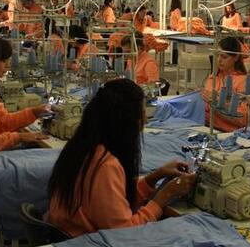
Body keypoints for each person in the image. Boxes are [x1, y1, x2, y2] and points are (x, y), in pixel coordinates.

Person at [47, 78, 195, 237]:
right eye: (142, 114)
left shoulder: (82, 146)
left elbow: (112, 200)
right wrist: (166, 194)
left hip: (69, 234)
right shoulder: (105, 166)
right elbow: (124, 232)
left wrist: (154, 177)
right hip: (84, 242)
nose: (146, 121)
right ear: (125, 121)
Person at [201, 37, 250, 132]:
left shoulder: (243, 82)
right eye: (217, 55)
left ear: (236, 57)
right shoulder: (214, 77)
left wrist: (216, 104)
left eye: (224, 57)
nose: (219, 60)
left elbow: (243, 120)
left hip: (226, 133)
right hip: (205, 126)